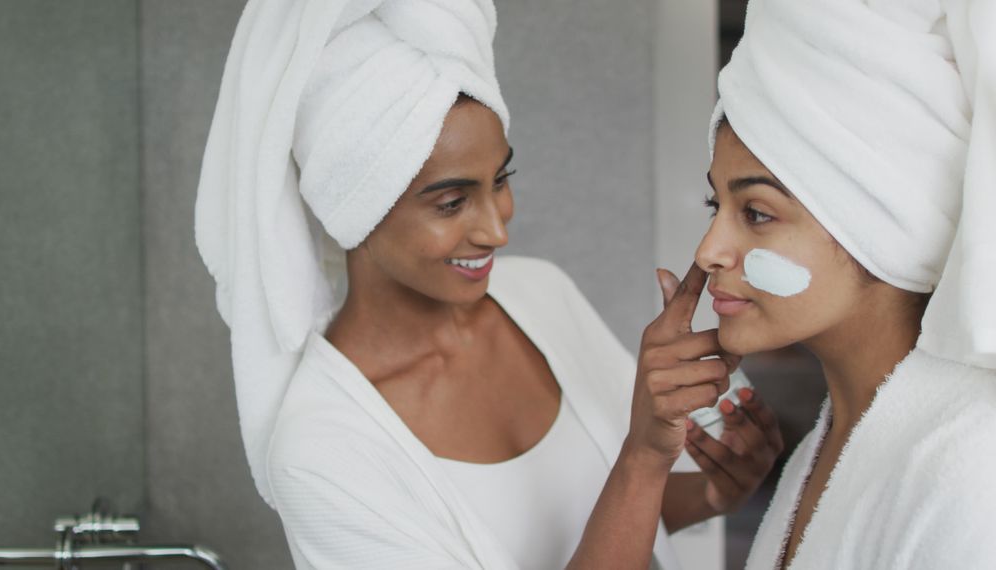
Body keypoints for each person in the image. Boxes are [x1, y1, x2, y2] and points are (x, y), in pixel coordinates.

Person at [194, 0, 782, 568]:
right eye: (452, 203)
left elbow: (599, 524)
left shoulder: (539, 294)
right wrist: (646, 457)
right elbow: (632, 477)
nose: (497, 228)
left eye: (501, 179)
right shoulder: (323, 449)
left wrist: (710, 494)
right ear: (353, 210)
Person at [694, 0, 996, 568]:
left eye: (756, 212)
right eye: (716, 203)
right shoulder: (830, 440)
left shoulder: (975, 469)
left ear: (882, 224)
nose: (707, 251)